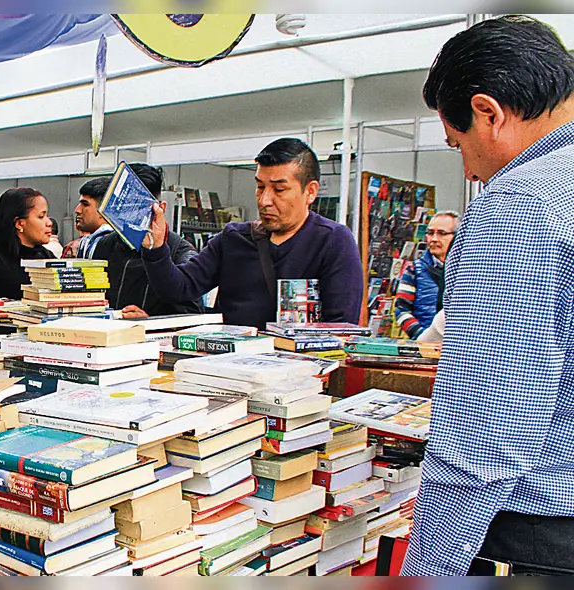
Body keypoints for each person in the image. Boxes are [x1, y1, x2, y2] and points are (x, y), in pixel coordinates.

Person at [402, 15, 574, 577]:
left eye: (457, 145)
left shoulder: (519, 205)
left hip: (541, 531)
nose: (469, 169)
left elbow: (485, 430)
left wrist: (429, 567)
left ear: (488, 112)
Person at [141, 138, 363, 329]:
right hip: (232, 369)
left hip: (299, 373)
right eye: (259, 187)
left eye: (279, 189)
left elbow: (340, 328)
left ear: (310, 191)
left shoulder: (333, 241)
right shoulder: (233, 239)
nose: (265, 200)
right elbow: (179, 288)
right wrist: (156, 247)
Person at [90, 164, 202, 319]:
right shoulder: (106, 245)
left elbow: (193, 317)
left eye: (136, 210)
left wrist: (150, 321)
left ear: (159, 208)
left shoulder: (181, 253)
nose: (127, 219)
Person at [393, 211, 459, 339]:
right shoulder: (415, 270)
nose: (434, 239)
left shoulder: (465, 271)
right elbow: (401, 310)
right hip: (424, 345)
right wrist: (421, 335)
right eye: (430, 233)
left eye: (442, 233)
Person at [74, 178, 114, 258]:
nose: (77, 210)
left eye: (85, 204)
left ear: (104, 209)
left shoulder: (115, 244)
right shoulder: (87, 241)